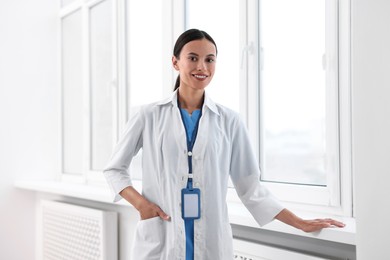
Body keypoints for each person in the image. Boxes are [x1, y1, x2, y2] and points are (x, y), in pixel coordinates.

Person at [103, 28, 345, 260]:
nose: (202, 67)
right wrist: (142, 205)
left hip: (210, 241)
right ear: (176, 63)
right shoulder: (148, 115)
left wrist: (299, 222)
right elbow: (114, 169)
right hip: (161, 236)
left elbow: (250, 187)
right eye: (193, 58)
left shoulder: (229, 121)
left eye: (210, 59)